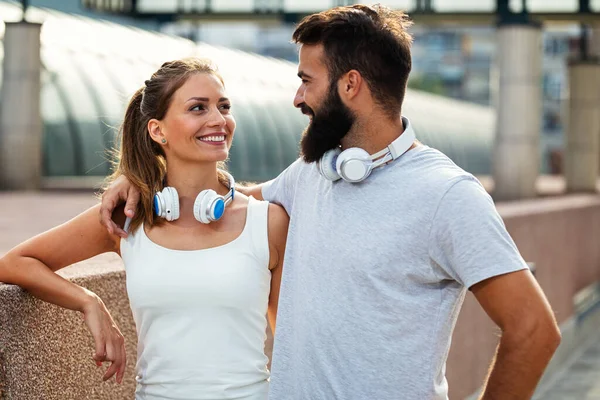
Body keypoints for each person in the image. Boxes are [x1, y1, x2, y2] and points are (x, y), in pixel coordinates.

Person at [100, 5, 560, 400]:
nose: (298, 97)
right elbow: (225, 202)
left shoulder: (447, 195)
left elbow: (534, 330)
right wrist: (140, 179)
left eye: (307, 80)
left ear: (350, 85)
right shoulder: (315, 172)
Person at [0, 58, 288, 400]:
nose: (218, 120)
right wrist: (88, 302)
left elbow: (288, 338)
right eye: (198, 108)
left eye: (223, 106)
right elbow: (15, 262)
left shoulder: (268, 222)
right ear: (157, 130)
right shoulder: (126, 218)